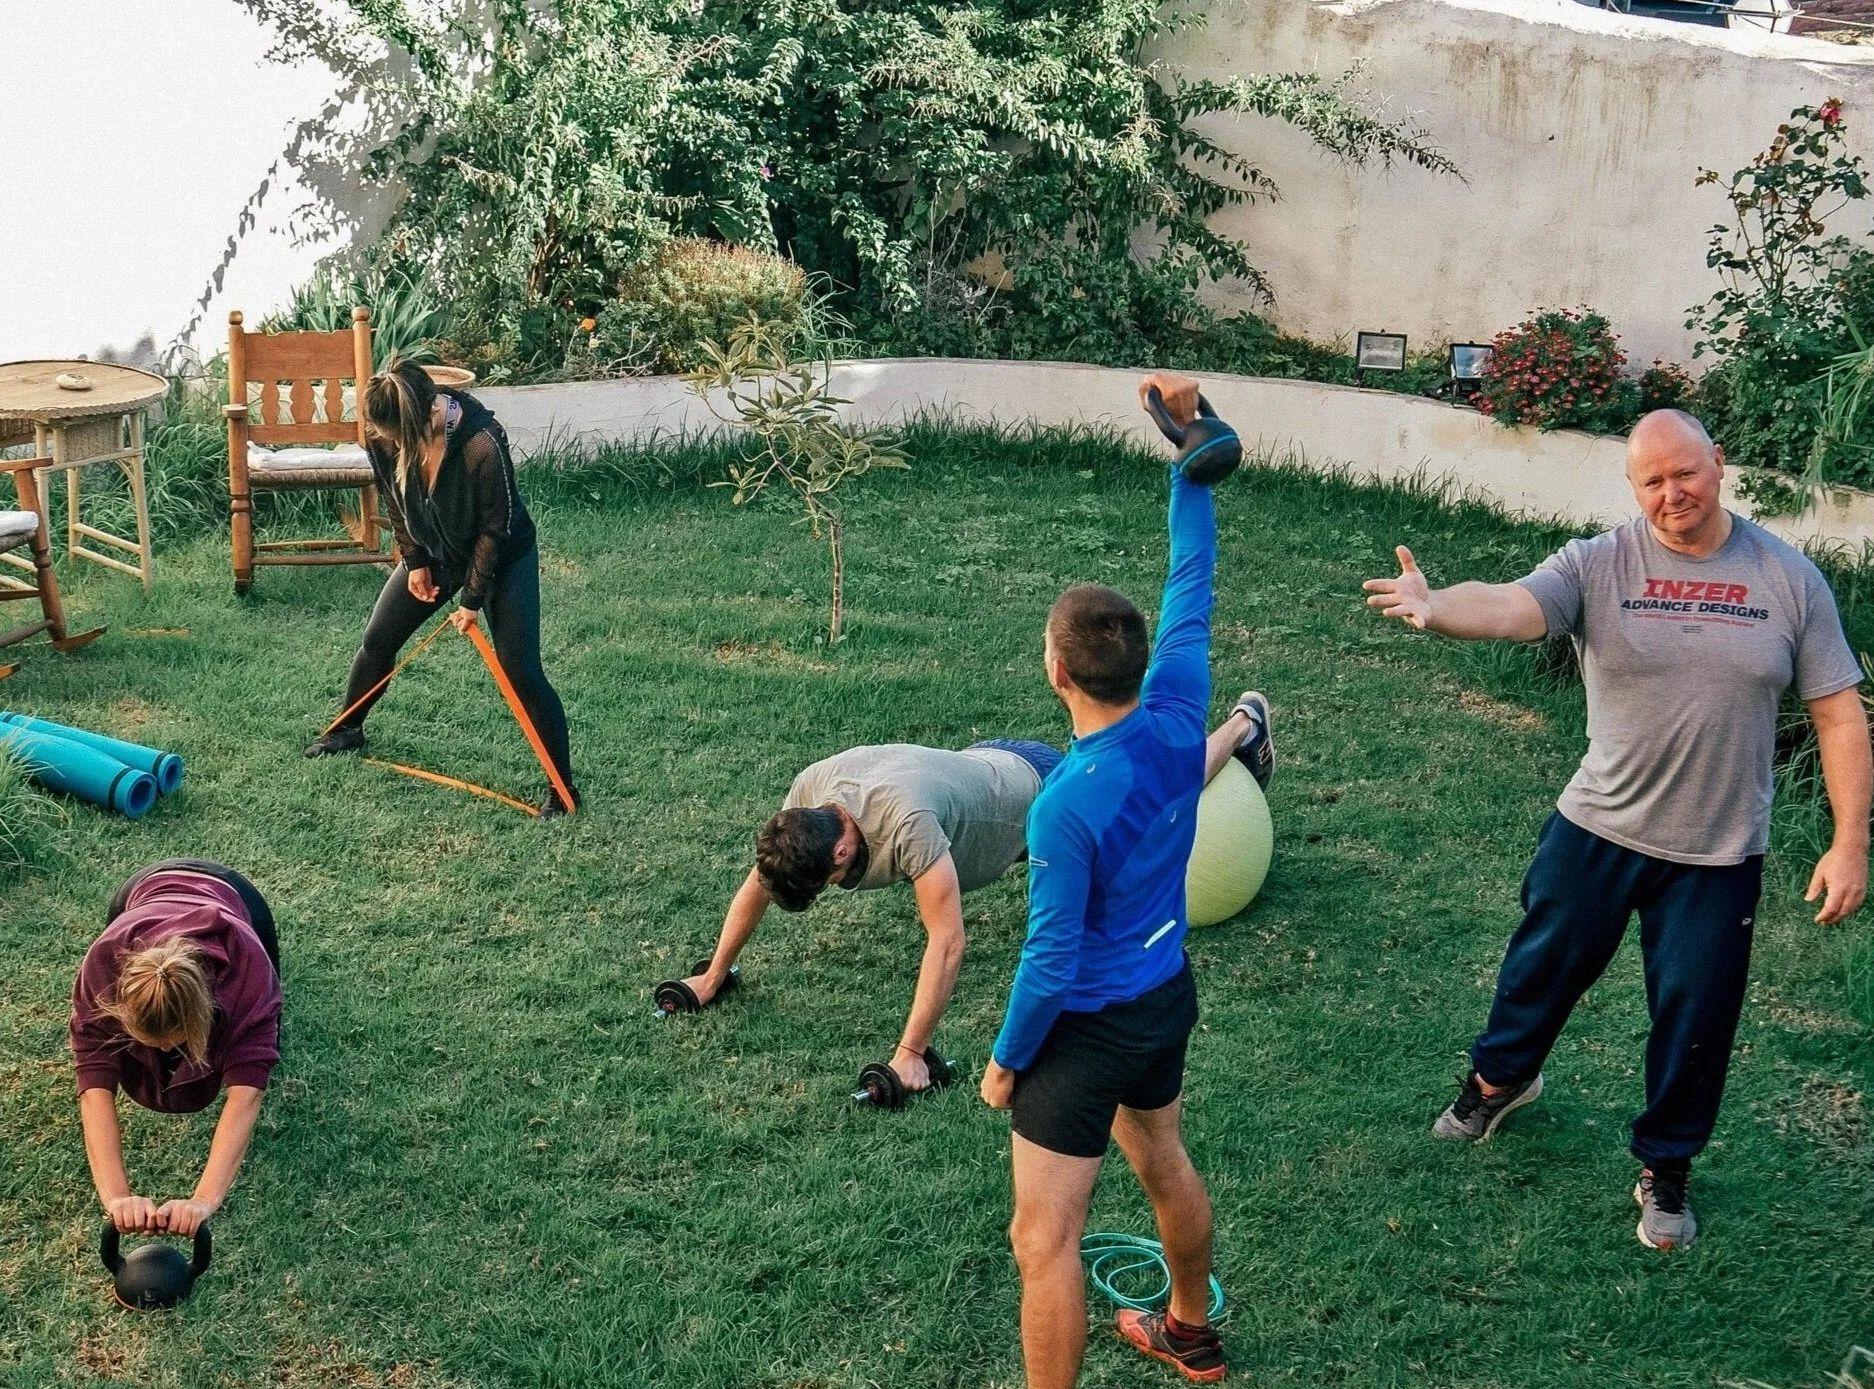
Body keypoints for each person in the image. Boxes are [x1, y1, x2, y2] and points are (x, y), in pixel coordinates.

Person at [1362, 408, 1870, 1251]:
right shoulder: (1601, 561)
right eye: (1652, 481)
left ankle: (1666, 1167)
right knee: (1539, 970)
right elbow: (1520, 604)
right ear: (1633, 486)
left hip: (1718, 850)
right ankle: (1499, 1082)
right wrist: (1438, 605)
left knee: (1696, 1015)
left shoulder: (1789, 579)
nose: (1673, 494)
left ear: (1719, 463)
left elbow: (1839, 715)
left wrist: (1849, 840)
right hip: (1598, 824)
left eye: (1686, 473)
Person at [979, 371, 1231, 1389]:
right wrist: (1194, 468)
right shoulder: (1178, 713)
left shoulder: (1063, 803)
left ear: (1057, 671)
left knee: (1042, 1238)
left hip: (1083, 1031)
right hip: (1161, 995)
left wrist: (1003, 1061)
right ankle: (1189, 1330)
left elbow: (1047, 956)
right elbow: (1192, 580)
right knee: (1162, 1153)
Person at [674, 701, 1272, 1096]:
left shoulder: (906, 822)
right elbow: (761, 880)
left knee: (1157, 797)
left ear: (838, 853)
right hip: (985, 765)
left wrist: (911, 1054)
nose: (835, 890)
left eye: (829, 883)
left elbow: (948, 938)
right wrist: (713, 974)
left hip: (1035, 795)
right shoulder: (808, 798)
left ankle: (1244, 723)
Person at [302, 359, 576, 818]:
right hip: (436, 553)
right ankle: (347, 729)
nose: (388, 443)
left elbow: (496, 528)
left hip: (502, 558)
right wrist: (415, 561)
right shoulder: (383, 434)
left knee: (521, 671)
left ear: (429, 412)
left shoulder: (481, 445)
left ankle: (561, 787)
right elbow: (394, 498)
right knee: (378, 639)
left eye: (396, 436)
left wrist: (471, 600)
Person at [71, 860, 283, 1237]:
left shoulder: (248, 972)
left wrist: (204, 1199)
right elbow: (93, 1088)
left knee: (267, 1040)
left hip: (236, 897)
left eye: (179, 1041)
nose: (170, 1051)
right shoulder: (103, 966)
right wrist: (116, 1197)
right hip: (141, 892)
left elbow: (246, 1096)